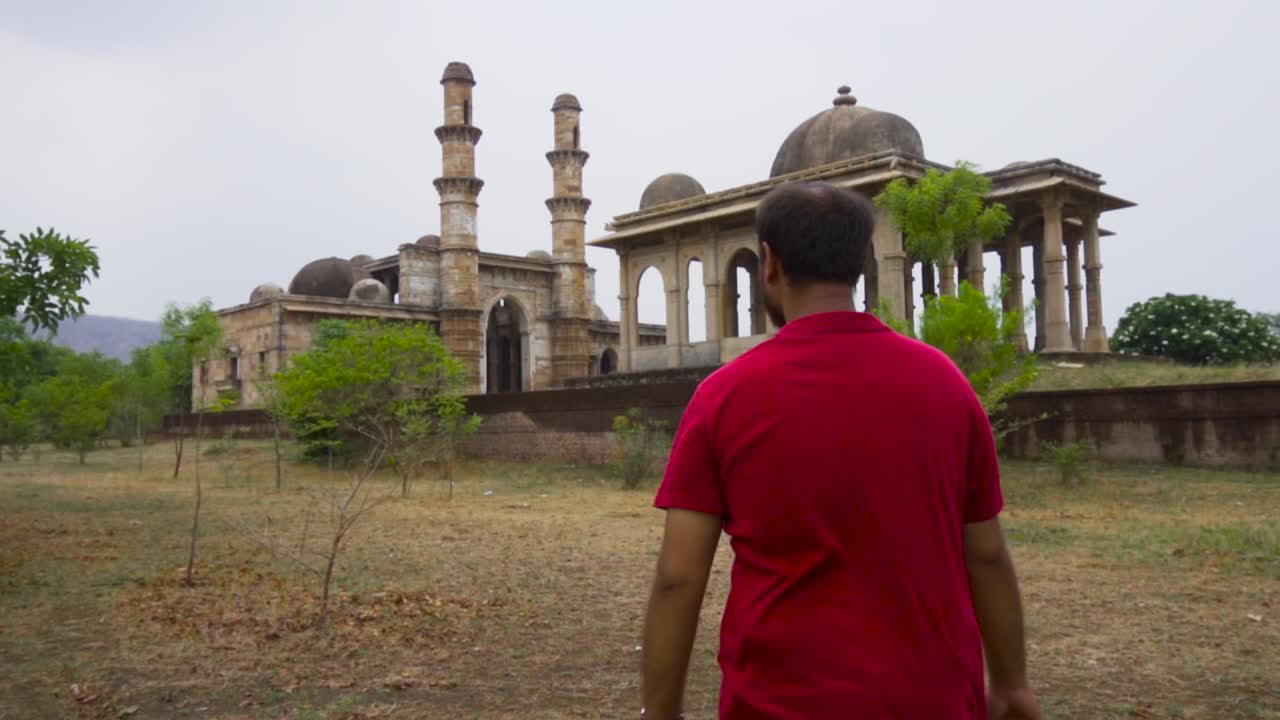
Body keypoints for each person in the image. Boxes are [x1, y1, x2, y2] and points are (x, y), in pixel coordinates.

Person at [640, 181, 1042, 720]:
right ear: (858, 264)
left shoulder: (726, 396)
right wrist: (1012, 685)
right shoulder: (943, 383)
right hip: (931, 699)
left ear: (769, 263)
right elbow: (987, 553)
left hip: (780, 703)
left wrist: (659, 713)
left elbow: (678, 578)